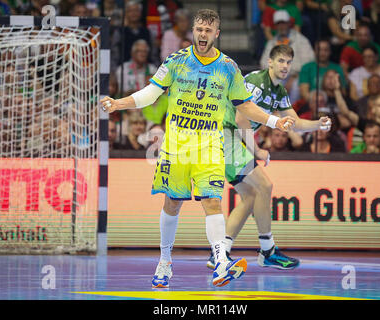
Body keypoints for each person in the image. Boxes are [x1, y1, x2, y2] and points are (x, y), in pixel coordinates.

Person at [100, 9, 296, 288]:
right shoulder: (176, 61)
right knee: (172, 202)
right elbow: (151, 93)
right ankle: (165, 262)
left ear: (217, 33)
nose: (203, 35)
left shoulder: (229, 67)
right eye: (199, 30)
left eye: (209, 30)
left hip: (210, 147)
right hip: (176, 146)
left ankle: (220, 263)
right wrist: (120, 103)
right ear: (193, 31)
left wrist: (275, 120)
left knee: (212, 201)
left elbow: (245, 105)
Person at [205, 44, 332, 270]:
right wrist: (258, 151)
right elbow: (241, 118)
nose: (285, 66)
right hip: (225, 135)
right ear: (270, 62)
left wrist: (317, 125)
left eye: (288, 62)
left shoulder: (278, 92)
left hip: (231, 139)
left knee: (252, 196)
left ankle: (220, 252)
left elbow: (293, 123)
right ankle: (268, 250)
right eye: (281, 61)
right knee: (265, 185)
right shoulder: (256, 82)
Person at [259, 10, 314, 103]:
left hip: (297, 76)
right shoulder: (271, 42)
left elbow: (309, 61)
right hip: (277, 76)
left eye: (284, 23)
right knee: (269, 84)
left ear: (289, 24)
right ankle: (275, 114)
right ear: (275, 26)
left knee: (296, 86)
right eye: (279, 24)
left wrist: (293, 76)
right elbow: (264, 64)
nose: (281, 26)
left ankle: (291, 114)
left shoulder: (301, 40)